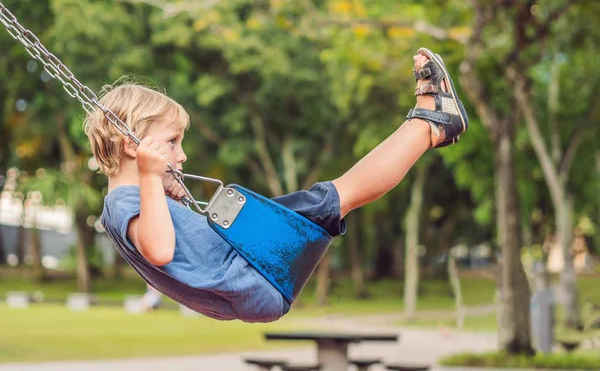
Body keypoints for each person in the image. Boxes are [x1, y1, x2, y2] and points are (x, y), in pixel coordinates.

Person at [84, 48, 468, 323]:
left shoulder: (129, 201)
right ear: (132, 145)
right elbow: (159, 249)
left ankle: (430, 124)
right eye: (172, 142)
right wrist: (152, 179)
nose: (181, 156)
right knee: (336, 195)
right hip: (250, 272)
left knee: (334, 199)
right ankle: (432, 122)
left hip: (250, 277)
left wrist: (163, 193)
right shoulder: (122, 203)